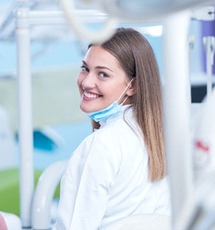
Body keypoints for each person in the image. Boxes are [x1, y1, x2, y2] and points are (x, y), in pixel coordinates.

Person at [54, 28, 171, 229]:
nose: (87, 82)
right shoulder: (160, 137)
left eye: (102, 74)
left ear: (132, 86)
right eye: (85, 68)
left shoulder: (101, 145)